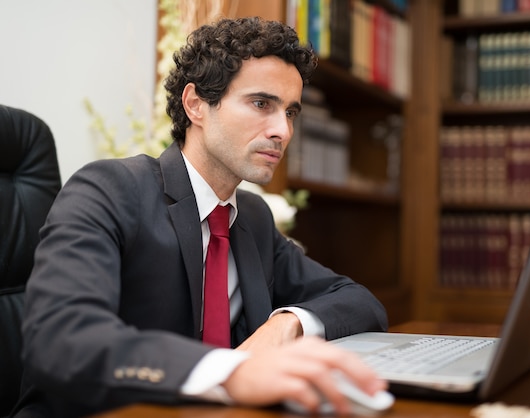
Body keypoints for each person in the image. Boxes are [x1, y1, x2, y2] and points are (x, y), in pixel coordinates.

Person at [12, 16, 388, 418]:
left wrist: (286, 324)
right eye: (261, 104)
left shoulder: (253, 217)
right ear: (195, 105)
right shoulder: (109, 189)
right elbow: (61, 339)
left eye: (290, 112)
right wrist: (231, 373)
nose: (282, 130)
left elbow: (359, 302)